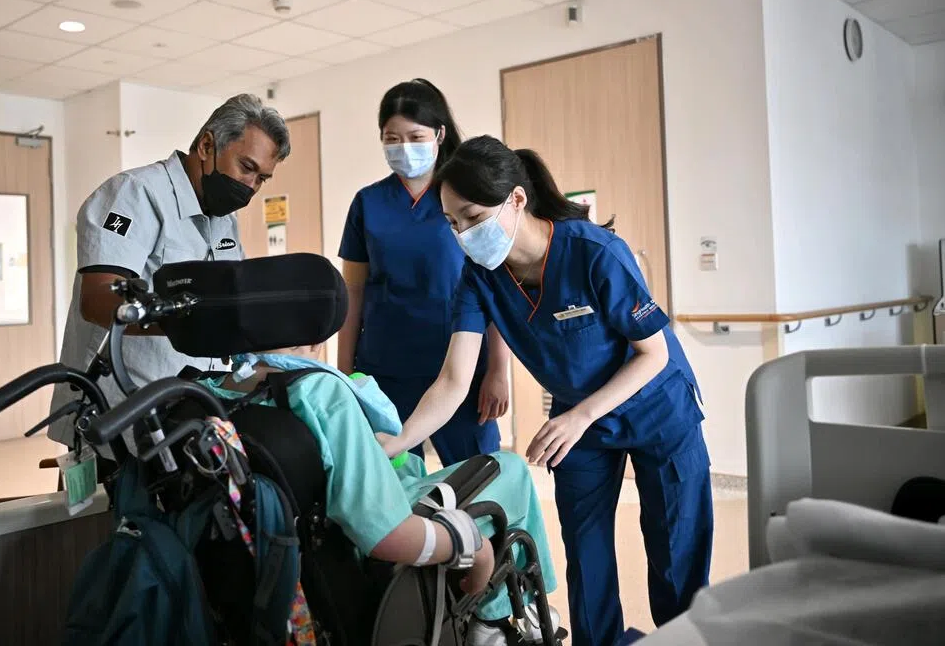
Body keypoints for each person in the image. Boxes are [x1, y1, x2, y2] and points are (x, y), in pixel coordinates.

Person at [379, 136, 714, 646]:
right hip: (578, 421)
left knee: (676, 549)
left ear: (516, 198)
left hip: (655, 408)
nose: (464, 234)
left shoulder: (593, 252)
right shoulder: (479, 279)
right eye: (452, 223)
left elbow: (655, 354)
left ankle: (686, 640)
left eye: (471, 216)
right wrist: (398, 443)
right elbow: (453, 382)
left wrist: (580, 416)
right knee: (586, 554)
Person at [204, 345, 561, 644]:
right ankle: (496, 619)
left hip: (273, 562)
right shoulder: (317, 391)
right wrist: (475, 548)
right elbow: (385, 534)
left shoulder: (202, 392)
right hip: (370, 541)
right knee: (510, 469)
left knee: (413, 468)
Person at [48, 94, 290, 455]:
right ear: (207, 145)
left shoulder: (224, 221)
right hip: (114, 413)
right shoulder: (136, 194)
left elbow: (231, 302)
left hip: (184, 415)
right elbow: (97, 299)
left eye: (262, 179)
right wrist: (192, 319)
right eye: (246, 167)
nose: (251, 186)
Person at [337, 79, 509, 468]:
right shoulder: (368, 203)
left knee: (478, 479)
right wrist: (344, 372)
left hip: (459, 366)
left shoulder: (466, 198)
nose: (403, 147)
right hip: (385, 370)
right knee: (393, 484)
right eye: (392, 138)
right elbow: (354, 292)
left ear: (440, 134)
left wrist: (498, 369)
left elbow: (493, 282)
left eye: (415, 136)